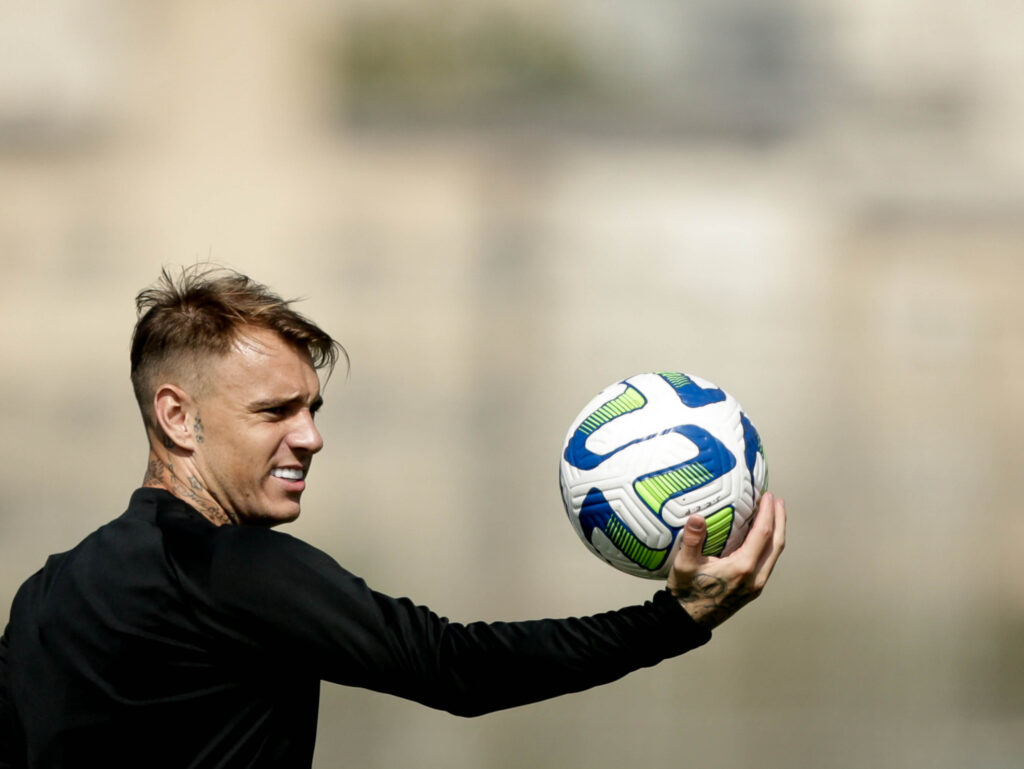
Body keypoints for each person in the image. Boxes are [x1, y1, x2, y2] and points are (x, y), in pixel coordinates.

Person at [0, 266, 786, 768]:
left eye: (312, 409)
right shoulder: (230, 567)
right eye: (276, 410)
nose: (310, 436)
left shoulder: (45, 597)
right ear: (177, 414)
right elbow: (458, 665)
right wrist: (677, 616)